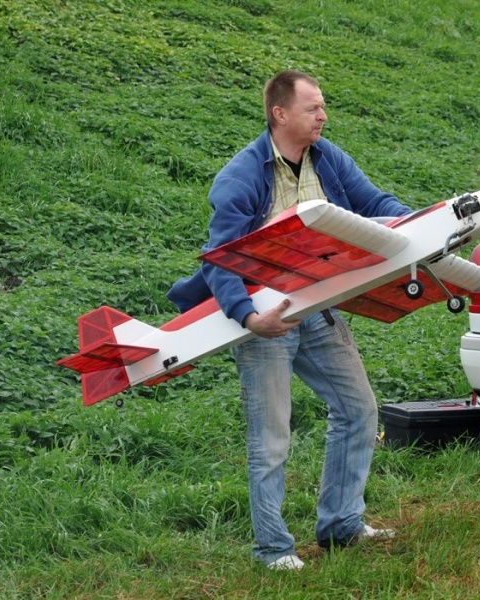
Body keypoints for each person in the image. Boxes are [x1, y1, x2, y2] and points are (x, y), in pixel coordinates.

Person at [167, 70, 411, 569]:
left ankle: (342, 525)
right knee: (271, 438)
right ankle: (273, 548)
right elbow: (220, 255)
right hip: (265, 316)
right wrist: (247, 317)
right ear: (281, 114)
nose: (323, 115)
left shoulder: (329, 158)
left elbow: (374, 203)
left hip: (317, 308)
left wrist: (417, 227)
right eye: (313, 108)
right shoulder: (241, 175)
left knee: (359, 409)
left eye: (322, 106)